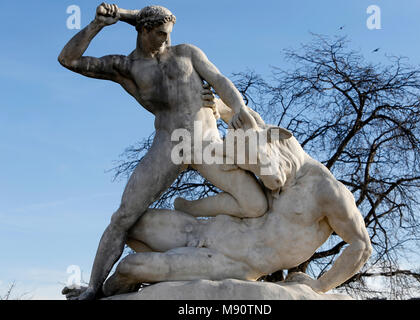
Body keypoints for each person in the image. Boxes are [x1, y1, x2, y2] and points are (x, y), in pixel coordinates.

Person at [58, 3, 267, 300]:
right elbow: (68, 59)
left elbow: (219, 80)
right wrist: (97, 25)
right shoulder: (127, 67)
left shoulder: (186, 53)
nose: (166, 40)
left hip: (207, 142)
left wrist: (240, 108)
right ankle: (93, 288)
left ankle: (206, 229)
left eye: (168, 33)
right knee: (123, 217)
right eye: (160, 34)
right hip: (169, 145)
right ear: (143, 31)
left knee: (256, 205)